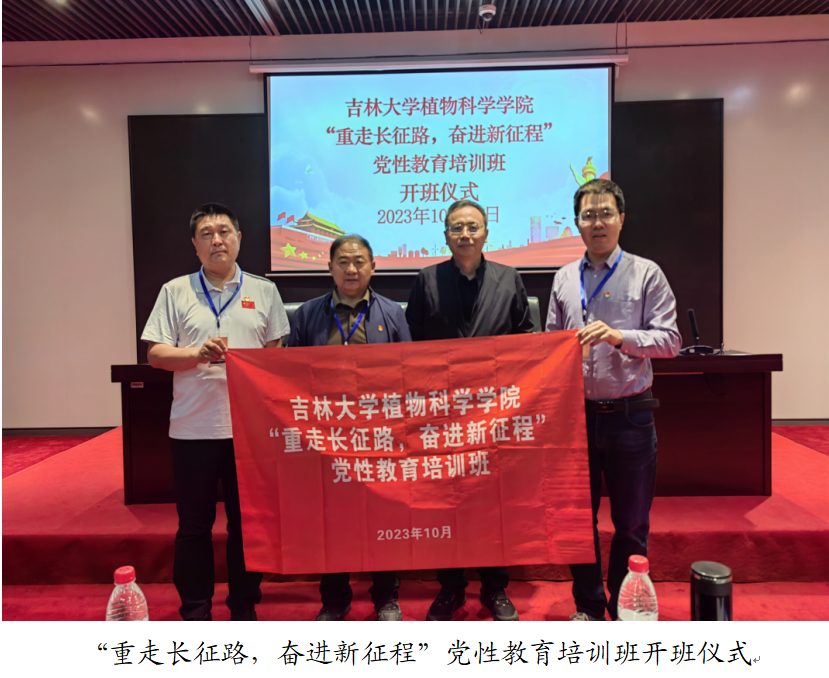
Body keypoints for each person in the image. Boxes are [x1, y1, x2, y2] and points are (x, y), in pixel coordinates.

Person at [142, 203, 290, 621]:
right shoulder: (175, 290)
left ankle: (244, 607)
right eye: (206, 234)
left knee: (247, 526)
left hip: (249, 432)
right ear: (195, 245)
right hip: (193, 430)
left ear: (239, 239)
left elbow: (276, 355)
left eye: (224, 232)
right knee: (194, 527)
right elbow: (155, 355)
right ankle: (196, 611)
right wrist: (196, 354)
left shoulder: (264, 291)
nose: (216, 240)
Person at [546, 179, 681, 621]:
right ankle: (588, 607)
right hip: (577, 419)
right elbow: (550, 344)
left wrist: (620, 336)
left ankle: (624, 609)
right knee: (577, 519)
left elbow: (670, 341)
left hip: (630, 416)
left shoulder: (646, 273)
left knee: (632, 522)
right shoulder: (564, 278)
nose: (598, 222)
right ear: (577, 224)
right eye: (589, 215)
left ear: (621, 218)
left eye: (606, 213)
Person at [405, 199, 534, 621]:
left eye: (472, 227)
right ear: (445, 235)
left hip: (494, 414)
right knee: (448, 502)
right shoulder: (427, 280)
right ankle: (451, 587)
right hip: (442, 414)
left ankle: (495, 587)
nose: (465, 234)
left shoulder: (509, 278)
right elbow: (411, 344)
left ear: (485, 234)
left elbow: (526, 339)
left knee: (493, 501)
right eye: (456, 227)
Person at [288, 234, 411, 621]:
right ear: (330, 268)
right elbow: (290, 374)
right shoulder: (307, 314)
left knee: (383, 516)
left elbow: (409, 371)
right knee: (331, 517)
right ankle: (334, 598)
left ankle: (386, 597)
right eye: (343, 261)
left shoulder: (392, 313)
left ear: (373, 267)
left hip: (380, 433)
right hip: (328, 434)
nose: (351, 269)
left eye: (359, 262)